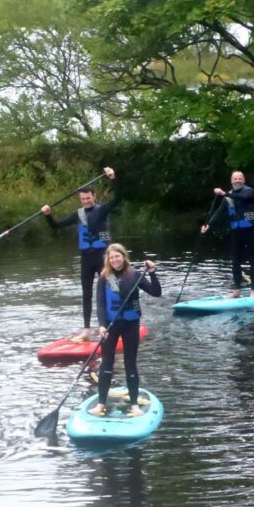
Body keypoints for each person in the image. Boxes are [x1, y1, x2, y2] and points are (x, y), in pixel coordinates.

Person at [41, 166, 118, 337]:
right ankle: (86, 328)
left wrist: (112, 178)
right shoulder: (78, 215)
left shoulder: (102, 210)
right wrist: (48, 215)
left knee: (111, 288)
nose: (86, 201)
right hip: (86, 258)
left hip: (103, 257)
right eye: (83, 199)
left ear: (94, 197)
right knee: (86, 293)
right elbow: (56, 226)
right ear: (80, 199)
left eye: (88, 198)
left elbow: (118, 198)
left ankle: (110, 323)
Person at [91, 244, 161, 417]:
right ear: (108, 260)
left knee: (130, 364)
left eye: (118, 256)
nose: (115, 260)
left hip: (130, 325)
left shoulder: (136, 276)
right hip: (110, 326)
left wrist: (152, 273)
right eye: (112, 257)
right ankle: (100, 404)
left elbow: (156, 292)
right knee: (106, 364)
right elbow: (100, 304)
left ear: (124, 257)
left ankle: (135, 404)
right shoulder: (104, 278)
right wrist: (101, 325)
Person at [201, 170, 254, 297]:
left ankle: (253, 290)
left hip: (250, 231)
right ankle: (237, 290)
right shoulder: (228, 197)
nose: (237, 181)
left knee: (252, 259)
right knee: (235, 261)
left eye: (240, 179)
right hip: (236, 232)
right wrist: (208, 225)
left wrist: (224, 193)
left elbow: (242, 198)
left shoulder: (249, 192)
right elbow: (219, 212)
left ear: (243, 180)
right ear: (231, 181)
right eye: (235, 179)